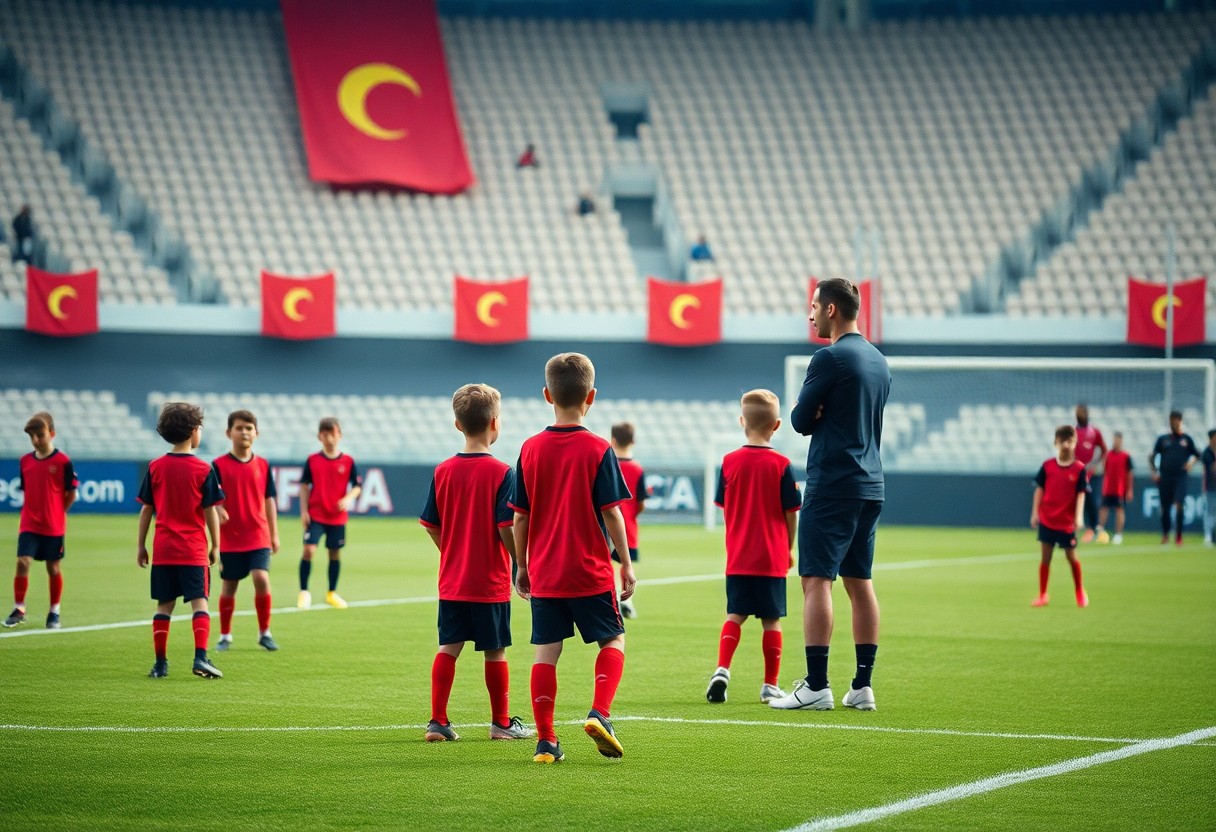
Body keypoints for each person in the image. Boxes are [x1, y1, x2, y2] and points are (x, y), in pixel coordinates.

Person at [769, 277, 890, 713]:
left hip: (833, 482)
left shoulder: (829, 357)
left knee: (816, 578)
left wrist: (815, 411)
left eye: (814, 307)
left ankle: (816, 685)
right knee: (861, 582)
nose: (810, 314)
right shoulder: (879, 361)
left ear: (832, 310)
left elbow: (800, 419)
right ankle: (862, 685)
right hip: (870, 483)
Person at [512, 352, 634, 763]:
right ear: (592, 397)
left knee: (547, 650)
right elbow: (612, 512)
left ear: (548, 395)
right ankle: (600, 712)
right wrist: (626, 563)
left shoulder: (529, 449)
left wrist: (522, 565)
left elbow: (520, 517)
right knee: (613, 638)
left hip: (546, 573)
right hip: (590, 572)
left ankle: (546, 741)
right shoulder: (599, 449)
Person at [419, 383, 532, 743]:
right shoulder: (503, 473)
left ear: (457, 424)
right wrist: (521, 565)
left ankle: (438, 721)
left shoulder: (443, 470)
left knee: (447, 647)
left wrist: (453, 551)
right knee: (495, 650)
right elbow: (505, 527)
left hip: (453, 581)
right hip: (489, 583)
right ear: (496, 423)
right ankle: (501, 723)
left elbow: (431, 526)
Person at [706, 390, 800, 706]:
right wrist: (788, 547)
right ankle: (770, 685)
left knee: (735, 615)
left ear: (741, 421)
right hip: (771, 556)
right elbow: (791, 513)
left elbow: (725, 507)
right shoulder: (782, 465)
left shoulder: (729, 462)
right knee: (771, 620)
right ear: (776, 426)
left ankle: (722, 669)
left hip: (739, 556)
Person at [137, 402, 225, 679]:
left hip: (163, 550)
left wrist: (141, 544)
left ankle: (160, 664)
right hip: (192, 550)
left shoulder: (155, 467)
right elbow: (210, 511)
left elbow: (146, 510)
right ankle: (200, 658)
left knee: (164, 606)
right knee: (200, 603)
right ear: (192, 431)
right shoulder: (203, 469)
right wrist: (216, 545)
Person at [212, 410, 280, 653]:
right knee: (229, 586)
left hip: (258, 534)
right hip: (230, 537)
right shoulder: (218, 465)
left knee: (261, 577)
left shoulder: (263, 464)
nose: (244, 432)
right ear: (229, 432)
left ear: (256, 433)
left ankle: (265, 632)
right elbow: (211, 498)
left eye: (249, 428)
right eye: (239, 428)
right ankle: (225, 635)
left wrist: (274, 533)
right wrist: (218, 509)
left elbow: (269, 499)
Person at [4, 412, 77, 629]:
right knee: (22, 561)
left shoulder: (63, 461)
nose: (36, 440)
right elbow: (27, 490)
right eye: (32, 436)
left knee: (53, 568)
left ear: (51, 434)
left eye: (40, 435)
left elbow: (70, 493)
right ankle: (19, 608)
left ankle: (54, 612)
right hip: (29, 523)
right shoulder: (25, 461)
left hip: (53, 525)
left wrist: (58, 512)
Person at [297, 417, 361, 609]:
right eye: (325, 434)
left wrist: (349, 498)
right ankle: (304, 592)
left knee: (334, 553)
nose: (329, 438)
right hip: (316, 514)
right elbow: (304, 486)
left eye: (332, 433)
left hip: (337, 516)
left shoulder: (348, 461)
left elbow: (357, 486)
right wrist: (303, 511)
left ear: (339, 435)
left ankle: (331, 592)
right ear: (319, 436)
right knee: (309, 550)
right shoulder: (313, 460)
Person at [1030, 426, 1090, 608]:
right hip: (1048, 519)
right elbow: (1039, 490)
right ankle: (1043, 595)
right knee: (1045, 558)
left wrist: (1078, 516)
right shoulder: (1047, 466)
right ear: (1055, 443)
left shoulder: (1079, 469)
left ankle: (1080, 590)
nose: (1065, 444)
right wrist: (1035, 513)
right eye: (1062, 440)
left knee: (1071, 558)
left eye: (1069, 441)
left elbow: (1081, 493)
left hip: (1066, 523)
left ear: (1075, 444)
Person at [1148, 410, 1200, 546]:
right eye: (1172, 420)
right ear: (1170, 421)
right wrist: (1154, 471)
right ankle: (1165, 534)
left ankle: (1178, 536)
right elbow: (1152, 456)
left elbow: (1197, 454)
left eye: (1177, 420)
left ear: (1180, 421)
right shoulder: (1163, 439)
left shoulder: (1187, 439)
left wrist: (1190, 463)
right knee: (1165, 507)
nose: (1174, 423)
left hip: (1180, 477)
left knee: (1179, 505)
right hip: (1165, 477)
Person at [610, 422, 645, 619]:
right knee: (626, 563)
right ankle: (627, 599)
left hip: (606, 525)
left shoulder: (607, 464)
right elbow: (641, 502)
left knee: (608, 563)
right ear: (633, 441)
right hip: (628, 525)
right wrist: (632, 514)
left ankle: (613, 596)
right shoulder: (637, 469)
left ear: (612, 440)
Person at [1073, 404, 1108, 543]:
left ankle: (1093, 529)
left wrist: (1097, 464)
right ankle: (1074, 528)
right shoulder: (1073, 431)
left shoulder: (1094, 432)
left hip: (1092, 474)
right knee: (1076, 502)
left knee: (1092, 501)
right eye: (1078, 412)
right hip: (1075, 474)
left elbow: (1104, 449)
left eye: (1082, 412)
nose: (1080, 415)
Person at [1097, 432, 1134, 546]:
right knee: (1104, 509)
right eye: (1114, 440)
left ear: (1121, 441)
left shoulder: (1126, 456)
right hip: (1108, 488)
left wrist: (1129, 490)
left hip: (1120, 489)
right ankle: (1100, 531)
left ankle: (1118, 534)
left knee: (1119, 510)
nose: (1116, 442)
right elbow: (1105, 469)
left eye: (1118, 440)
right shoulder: (1108, 455)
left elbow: (1129, 474)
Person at [1201, 429, 1216, 547]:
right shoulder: (1207, 452)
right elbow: (1210, 469)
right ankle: (1208, 535)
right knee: (1209, 512)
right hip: (1211, 486)